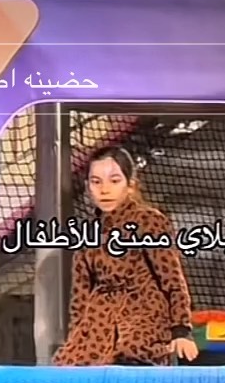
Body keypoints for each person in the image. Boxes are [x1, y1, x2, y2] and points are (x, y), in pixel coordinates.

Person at [52, 146, 199, 368]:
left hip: (144, 317)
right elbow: (80, 296)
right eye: (96, 182)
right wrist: (77, 339)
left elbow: (172, 280)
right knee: (68, 365)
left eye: (114, 181)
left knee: (131, 355)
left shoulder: (149, 221)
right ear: (88, 186)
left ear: (130, 185)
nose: (105, 190)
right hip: (99, 322)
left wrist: (181, 330)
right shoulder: (88, 234)